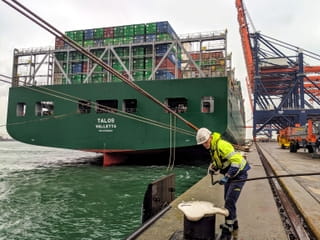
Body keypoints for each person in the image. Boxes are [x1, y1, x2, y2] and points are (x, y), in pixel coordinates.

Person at [196, 127, 251, 240]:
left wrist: (226, 177)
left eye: (206, 142)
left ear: (210, 138)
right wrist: (214, 168)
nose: (205, 145)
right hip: (232, 176)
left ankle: (227, 230)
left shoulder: (221, 145)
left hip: (239, 175)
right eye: (203, 143)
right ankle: (234, 223)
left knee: (229, 203)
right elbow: (221, 161)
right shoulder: (213, 148)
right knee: (228, 200)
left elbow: (236, 162)